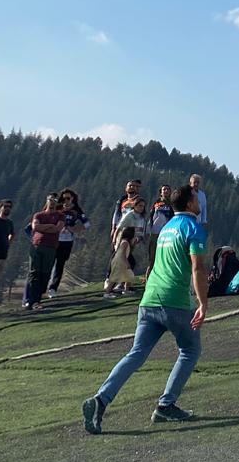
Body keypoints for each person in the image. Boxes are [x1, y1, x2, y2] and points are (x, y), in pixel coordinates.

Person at [81, 185, 210, 433]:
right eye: (196, 199)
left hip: (149, 299)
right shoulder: (194, 228)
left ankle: (101, 400)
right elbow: (197, 268)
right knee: (190, 350)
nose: (199, 202)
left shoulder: (167, 228)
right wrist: (203, 304)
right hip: (176, 300)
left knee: (136, 353)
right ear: (189, 203)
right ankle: (166, 405)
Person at [23, 193, 64, 311]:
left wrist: (44, 227)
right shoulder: (39, 215)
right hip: (37, 245)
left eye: (55, 200)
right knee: (34, 273)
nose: (52, 202)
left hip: (51, 247)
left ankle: (38, 297)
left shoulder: (60, 216)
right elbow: (35, 227)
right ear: (47, 200)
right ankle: (32, 301)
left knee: (45, 273)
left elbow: (57, 228)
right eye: (51, 199)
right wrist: (50, 226)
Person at [49, 188, 88, 297]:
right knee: (49, 263)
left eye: (68, 198)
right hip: (54, 239)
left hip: (67, 241)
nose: (65, 200)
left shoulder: (77, 210)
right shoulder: (58, 208)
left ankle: (53, 288)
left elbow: (87, 224)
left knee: (60, 265)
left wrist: (74, 229)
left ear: (72, 199)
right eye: (63, 198)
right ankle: (43, 287)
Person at [106, 195, 146, 297]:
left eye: (143, 206)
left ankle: (125, 289)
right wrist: (114, 241)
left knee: (130, 265)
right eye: (140, 206)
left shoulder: (141, 218)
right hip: (122, 241)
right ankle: (110, 290)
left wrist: (137, 239)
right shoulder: (129, 215)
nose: (141, 208)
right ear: (135, 206)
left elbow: (140, 232)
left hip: (131, 242)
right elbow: (119, 228)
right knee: (124, 266)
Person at [146, 185, 175, 278]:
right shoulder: (156, 203)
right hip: (155, 232)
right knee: (152, 258)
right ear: (161, 192)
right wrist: (148, 231)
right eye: (164, 189)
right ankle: (148, 279)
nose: (166, 191)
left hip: (168, 233)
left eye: (168, 189)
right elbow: (151, 217)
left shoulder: (173, 204)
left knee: (167, 257)